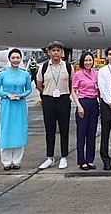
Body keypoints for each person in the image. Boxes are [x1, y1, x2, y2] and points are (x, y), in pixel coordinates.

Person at [0, 48, 32, 170]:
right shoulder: (2, 74)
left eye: (17, 58)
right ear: (9, 59)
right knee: (6, 131)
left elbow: (29, 89)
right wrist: (7, 95)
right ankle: (6, 161)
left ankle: (17, 160)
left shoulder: (25, 74)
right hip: (6, 105)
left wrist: (22, 95)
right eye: (13, 58)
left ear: (21, 59)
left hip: (20, 105)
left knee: (19, 131)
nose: (15, 60)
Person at [37, 41, 73, 169]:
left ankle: (64, 157)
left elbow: (71, 83)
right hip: (49, 100)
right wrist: (47, 94)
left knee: (64, 129)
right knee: (50, 130)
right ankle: (49, 157)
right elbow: (39, 85)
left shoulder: (68, 67)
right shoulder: (44, 67)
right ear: (49, 52)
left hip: (63, 99)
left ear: (61, 52)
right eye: (53, 50)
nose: (56, 53)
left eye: (58, 50)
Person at [71, 51, 99, 170]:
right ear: (82, 62)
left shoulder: (96, 73)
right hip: (83, 103)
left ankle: (90, 160)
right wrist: (78, 106)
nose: (88, 62)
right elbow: (73, 91)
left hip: (94, 103)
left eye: (90, 60)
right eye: (86, 60)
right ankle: (82, 160)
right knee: (81, 134)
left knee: (92, 134)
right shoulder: (78, 74)